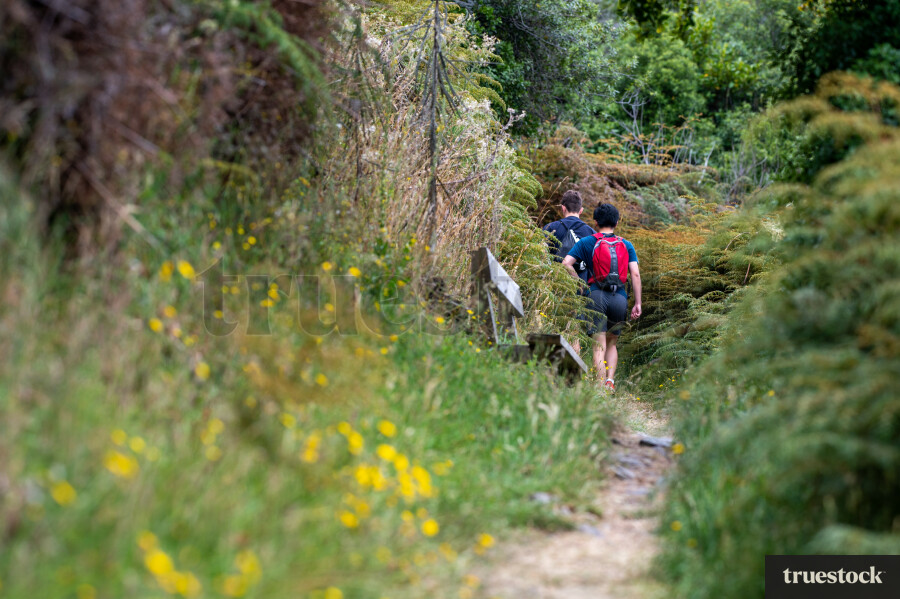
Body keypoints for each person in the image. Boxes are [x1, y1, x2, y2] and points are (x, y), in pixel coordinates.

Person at [562, 203, 642, 391]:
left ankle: (599, 387)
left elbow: (566, 263)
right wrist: (637, 303)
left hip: (595, 295)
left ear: (595, 221)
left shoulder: (587, 242)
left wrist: (580, 284)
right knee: (612, 342)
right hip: (620, 297)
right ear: (617, 221)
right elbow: (635, 275)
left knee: (598, 344)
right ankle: (610, 382)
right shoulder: (626, 244)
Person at [543, 190, 596, 352]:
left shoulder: (551, 228)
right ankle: (572, 372)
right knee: (572, 331)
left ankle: (550, 368)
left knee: (550, 326)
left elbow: (541, 256)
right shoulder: (591, 234)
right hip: (580, 289)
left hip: (554, 286)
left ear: (562, 208)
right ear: (581, 210)